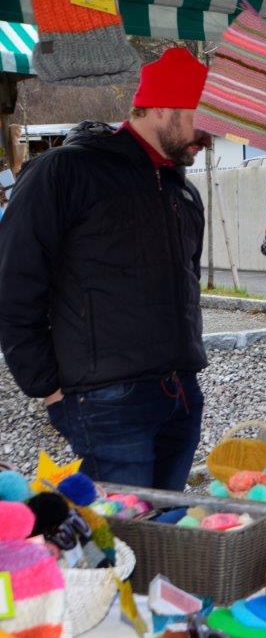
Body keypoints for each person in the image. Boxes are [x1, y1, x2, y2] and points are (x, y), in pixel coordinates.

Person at [0, 47, 213, 490]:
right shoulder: (65, 171)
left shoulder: (183, 191)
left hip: (180, 394)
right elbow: (13, 284)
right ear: (160, 107)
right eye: (202, 117)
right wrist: (47, 387)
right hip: (106, 403)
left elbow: (188, 284)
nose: (209, 135)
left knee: (169, 523)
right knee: (120, 529)